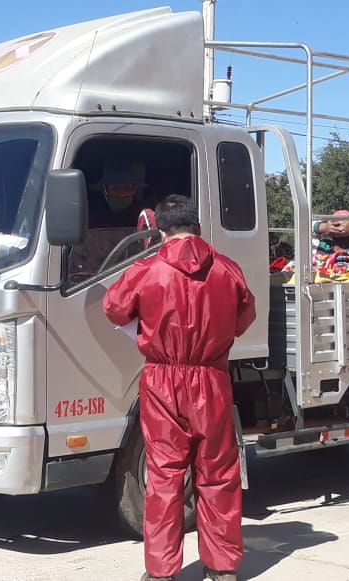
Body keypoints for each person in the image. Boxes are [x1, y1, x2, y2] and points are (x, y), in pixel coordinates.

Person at [103, 194, 256, 581]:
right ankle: (222, 569)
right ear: (197, 224)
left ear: (161, 228)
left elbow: (114, 307)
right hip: (211, 379)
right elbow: (244, 317)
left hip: (162, 380)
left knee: (165, 476)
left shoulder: (145, 269)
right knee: (219, 474)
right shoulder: (227, 269)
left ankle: (160, 572)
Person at [90, 160, 151, 229]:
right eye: (115, 188)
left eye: (127, 188)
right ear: (105, 191)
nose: (121, 194)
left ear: (134, 190)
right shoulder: (93, 216)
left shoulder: (144, 216)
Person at [313, 209, 349, 274]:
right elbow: (302, 226)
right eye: (336, 223)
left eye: (345, 222)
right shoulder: (321, 246)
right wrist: (322, 227)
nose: (340, 227)